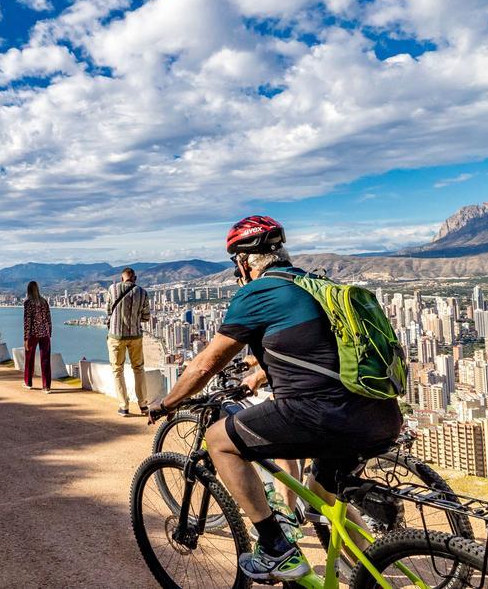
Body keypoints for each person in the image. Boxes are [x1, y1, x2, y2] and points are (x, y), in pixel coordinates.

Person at [147, 216, 402, 583]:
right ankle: (376, 577)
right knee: (324, 502)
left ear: (244, 261)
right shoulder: (314, 284)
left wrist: (165, 404)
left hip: (322, 416)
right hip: (380, 415)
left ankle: (276, 550)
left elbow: (206, 364)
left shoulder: (256, 294)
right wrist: (258, 374)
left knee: (219, 441)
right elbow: (319, 352)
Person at [103, 267, 151, 416]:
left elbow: (108, 310)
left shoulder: (112, 289)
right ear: (135, 278)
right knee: (138, 368)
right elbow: (146, 317)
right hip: (135, 336)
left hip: (116, 336)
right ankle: (143, 405)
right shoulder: (142, 292)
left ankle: (124, 406)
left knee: (117, 370)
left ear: (121, 278)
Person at [22, 280, 53, 392]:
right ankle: (46, 386)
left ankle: (28, 382)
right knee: (45, 359)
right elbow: (49, 319)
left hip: (33, 334)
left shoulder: (28, 303)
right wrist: (50, 333)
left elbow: (27, 322)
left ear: (28, 290)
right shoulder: (44, 302)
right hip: (45, 334)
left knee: (29, 359)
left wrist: (26, 338)